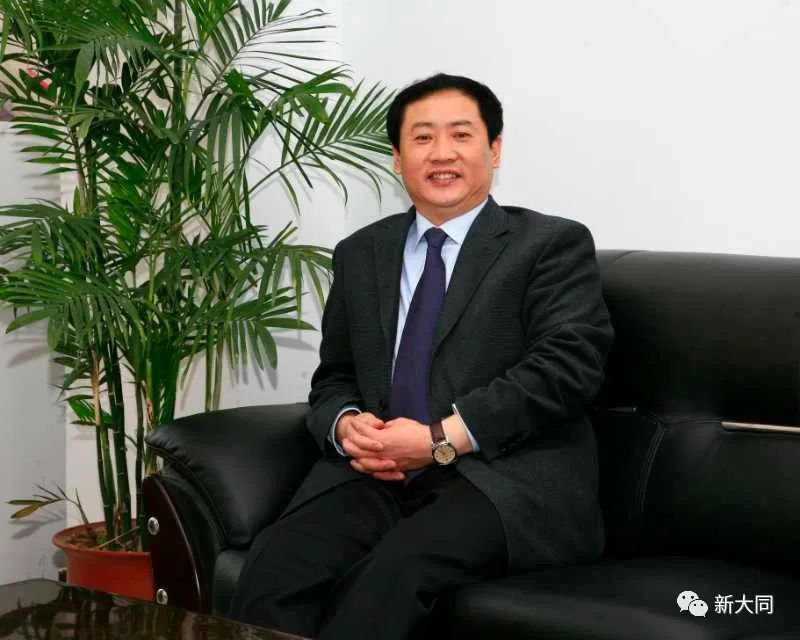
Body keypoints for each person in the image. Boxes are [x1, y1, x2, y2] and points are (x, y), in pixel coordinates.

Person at [228, 73, 614, 640]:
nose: (442, 153)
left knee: (391, 577)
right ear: (397, 157)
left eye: (461, 134)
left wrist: (439, 439)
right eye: (423, 137)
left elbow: (566, 368)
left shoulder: (549, 244)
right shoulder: (362, 253)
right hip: (379, 474)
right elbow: (335, 376)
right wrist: (346, 425)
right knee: (275, 568)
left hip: (500, 478)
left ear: (494, 150)